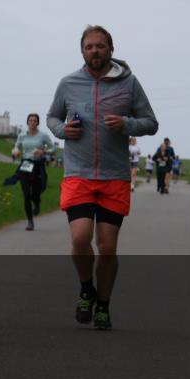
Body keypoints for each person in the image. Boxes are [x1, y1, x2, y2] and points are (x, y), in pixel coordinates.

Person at [47, 25, 158, 330]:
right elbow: (53, 117)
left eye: (100, 46)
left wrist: (126, 123)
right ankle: (86, 288)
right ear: (82, 51)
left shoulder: (129, 84)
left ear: (111, 49)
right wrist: (62, 131)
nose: (94, 51)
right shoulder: (69, 83)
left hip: (114, 177)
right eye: (89, 47)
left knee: (107, 247)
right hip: (78, 174)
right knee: (81, 238)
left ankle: (104, 306)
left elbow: (151, 123)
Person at [10, 113, 56, 230]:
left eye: (35, 121)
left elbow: (53, 148)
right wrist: (15, 152)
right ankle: (30, 221)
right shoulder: (22, 135)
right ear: (27, 122)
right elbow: (17, 147)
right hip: (25, 164)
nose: (32, 122)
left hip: (37, 166)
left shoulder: (43, 136)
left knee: (35, 193)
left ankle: (37, 202)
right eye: (30, 120)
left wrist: (43, 151)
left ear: (38, 123)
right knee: (26, 195)